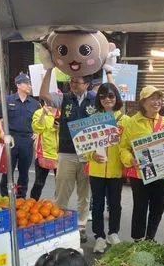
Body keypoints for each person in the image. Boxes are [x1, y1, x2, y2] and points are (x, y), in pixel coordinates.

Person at [40, 73, 96, 244]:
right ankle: (58, 224)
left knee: (84, 194)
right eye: (71, 80)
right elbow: (44, 95)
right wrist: (49, 71)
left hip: (88, 154)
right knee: (62, 190)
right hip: (66, 153)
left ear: (87, 84)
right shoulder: (64, 98)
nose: (72, 84)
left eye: (76, 81)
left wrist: (109, 70)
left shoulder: (95, 100)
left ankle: (80, 227)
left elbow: (114, 101)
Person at [120, 86, 164, 241]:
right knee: (140, 208)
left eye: (159, 98)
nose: (157, 102)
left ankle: (150, 238)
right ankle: (137, 240)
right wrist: (130, 160)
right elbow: (123, 148)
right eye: (152, 99)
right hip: (139, 173)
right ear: (143, 102)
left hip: (161, 173)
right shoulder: (132, 122)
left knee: (158, 208)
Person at [85, 83, 128, 253]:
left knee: (115, 203)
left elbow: (127, 145)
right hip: (96, 169)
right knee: (97, 205)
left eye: (110, 95)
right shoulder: (92, 119)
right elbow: (85, 144)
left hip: (116, 170)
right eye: (103, 96)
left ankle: (113, 233)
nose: (107, 99)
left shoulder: (125, 120)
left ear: (116, 97)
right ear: (99, 99)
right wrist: (91, 155)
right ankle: (99, 236)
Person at [0, 73, 41, 198]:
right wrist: (2, 132)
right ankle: (5, 196)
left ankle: (21, 197)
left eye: (30, 84)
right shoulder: (7, 100)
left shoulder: (35, 104)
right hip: (11, 139)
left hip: (27, 140)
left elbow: (39, 122)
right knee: (8, 170)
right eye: (27, 83)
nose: (29, 86)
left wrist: (37, 133)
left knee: (24, 172)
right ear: (18, 85)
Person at [30, 103, 59, 201]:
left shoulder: (63, 113)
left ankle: (59, 207)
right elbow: (37, 128)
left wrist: (60, 128)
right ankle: (32, 204)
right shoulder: (39, 112)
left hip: (61, 154)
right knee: (39, 182)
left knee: (61, 184)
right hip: (44, 152)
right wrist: (43, 114)